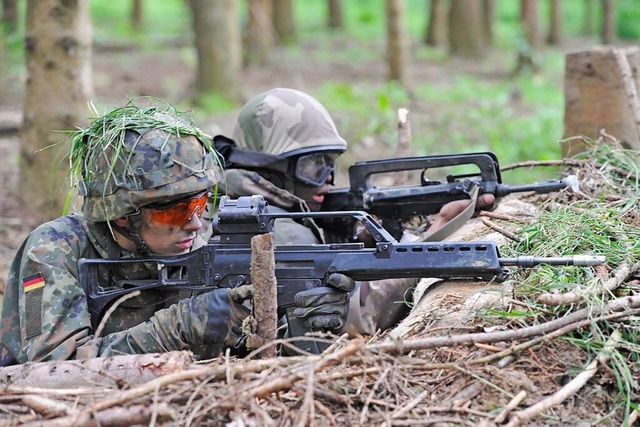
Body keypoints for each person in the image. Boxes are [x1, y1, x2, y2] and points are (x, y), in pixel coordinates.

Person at [0, 100, 342, 365]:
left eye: (201, 203)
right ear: (122, 216)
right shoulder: (54, 250)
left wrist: (299, 327)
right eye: (177, 210)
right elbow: (52, 368)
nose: (195, 222)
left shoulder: (200, 247)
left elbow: (248, 367)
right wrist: (179, 327)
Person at [213, 87, 495, 336]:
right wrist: (439, 228)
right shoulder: (279, 230)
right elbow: (362, 317)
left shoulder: (245, 207)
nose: (327, 178)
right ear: (268, 168)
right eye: (312, 165)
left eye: (330, 163)